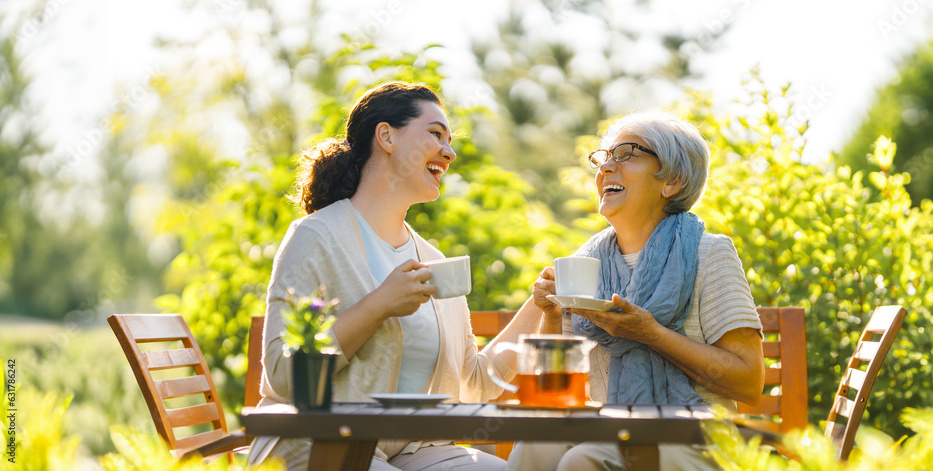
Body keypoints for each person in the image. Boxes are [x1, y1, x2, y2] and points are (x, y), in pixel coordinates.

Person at [247, 82, 544, 470]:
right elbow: (287, 376)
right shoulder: (316, 237)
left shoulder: (433, 260)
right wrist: (378, 306)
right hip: (316, 439)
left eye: (450, 140)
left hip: (412, 449)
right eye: (436, 134)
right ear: (386, 136)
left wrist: (537, 306)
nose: (450, 152)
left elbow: (472, 386)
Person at [506, 112, 765, 471]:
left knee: (582, 462)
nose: (607, 167)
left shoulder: (710, 254)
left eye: (627, 153)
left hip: (696, 435)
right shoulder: (586, 262)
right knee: (534, 446)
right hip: (609, 425)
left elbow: (748, 383)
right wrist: (551, 314)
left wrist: (652, 334)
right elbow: (553, 392)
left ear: (672, 180)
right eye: (604, 157)